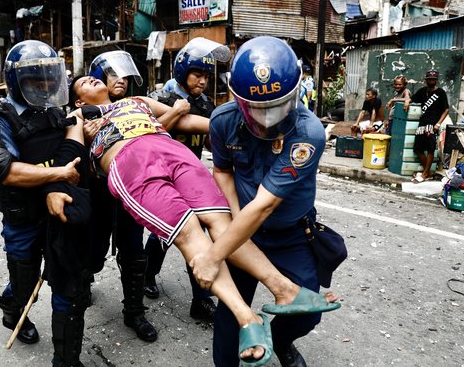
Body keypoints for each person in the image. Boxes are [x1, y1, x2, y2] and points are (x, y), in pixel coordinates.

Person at [62, 74, 340, 365]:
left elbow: (182, 122)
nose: (92, 79)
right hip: (130, 161)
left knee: (225, 224)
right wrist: (86, 137)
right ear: (79, 99)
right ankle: (247, 318)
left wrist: (230, 125)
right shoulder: (78, 116)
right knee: (189, 234)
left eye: (94, 77)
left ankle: (286, 290)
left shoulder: (137, 101)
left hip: (172, 150)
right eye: (83, 82)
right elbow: (73, 158)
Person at [189, 36, 341, 367]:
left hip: (291, 234)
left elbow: (265, 205)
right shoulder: (222, 121)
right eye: (257, 108)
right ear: (236, 96)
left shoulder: (308, 132)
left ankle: (283, 342)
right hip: (242, 231)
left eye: (277, 106)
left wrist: (213, 256)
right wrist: (233, 222)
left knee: (307, 313)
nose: (267, 118)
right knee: (230, 316)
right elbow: (222, 171)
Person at [0, 40, 92, 366]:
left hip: (60, 209)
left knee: (71, 289)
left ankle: (66, 361)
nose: (46, 86)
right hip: (23, 217)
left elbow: (70, 142)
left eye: (49, 79)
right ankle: (14, 309)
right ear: (16, 82)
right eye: (35, 81)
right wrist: (59, 173)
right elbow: (7, 171)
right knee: (25, 285)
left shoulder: (54, 110)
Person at [144, 37, 227, 322]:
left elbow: (206, 141)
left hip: (190, 175)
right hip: (162, 176)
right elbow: (147, 134)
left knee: (199, 235)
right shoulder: (160, 99)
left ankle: (201, 299)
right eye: (197, 75)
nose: (203, 81)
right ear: (182, 72)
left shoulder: (205, 104)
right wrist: (176, 111)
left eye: (206, 76)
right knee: (164, 235)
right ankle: (147, 275)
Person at [84, 50, 158, 342]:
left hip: (130, 193)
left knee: (134, 254)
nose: (121, 81)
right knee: (91, 254)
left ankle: (135, 312)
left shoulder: (134, 106)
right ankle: (82, 286)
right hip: (98, 195)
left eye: (124, 76)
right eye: (113, 74)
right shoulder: (85, 110)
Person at [410, 69, 449, 183]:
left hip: (432, 125)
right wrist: (398, 100)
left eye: (433, 79)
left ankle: (425, 173)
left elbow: (446, 109)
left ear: (437, 80)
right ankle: (428, 173)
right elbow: (410, 99)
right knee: (417, 149)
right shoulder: (422, 91)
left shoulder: (441, 92)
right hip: (422, 124)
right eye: (429, 79)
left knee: (430, 149)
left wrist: (438, 124)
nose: (431, 81)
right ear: (426, 80)